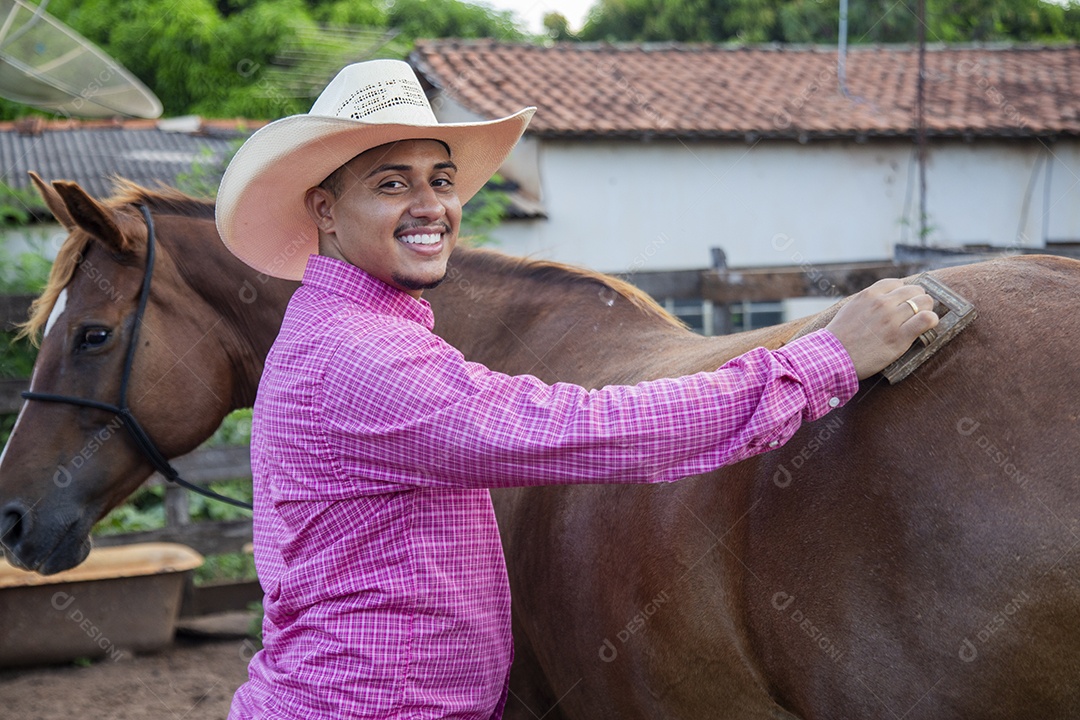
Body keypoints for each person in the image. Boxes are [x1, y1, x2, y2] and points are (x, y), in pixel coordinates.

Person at [215, 59, 937, 719]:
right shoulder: (358, 355)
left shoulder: (354, 328)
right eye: (391, 183)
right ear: (325, 210)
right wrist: (826, 361)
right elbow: (587, 428)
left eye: (440, 179)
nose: (432, 203)